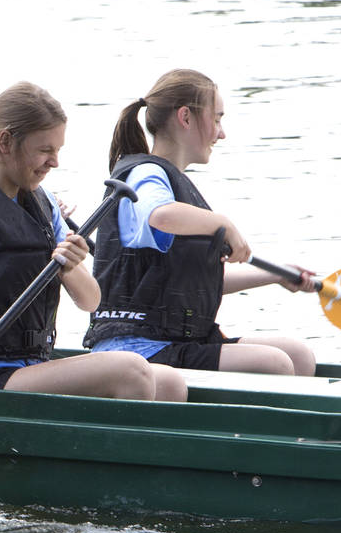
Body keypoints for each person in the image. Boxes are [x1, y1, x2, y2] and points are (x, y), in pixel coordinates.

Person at [0, 82, 187, 401]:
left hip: (28, 365)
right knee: (131, 371)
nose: (54, 162)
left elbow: (91, 301)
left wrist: (70, 267)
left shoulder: (42, 203)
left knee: (169, 383)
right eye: (45, 150)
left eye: (58, 151)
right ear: (5, 143)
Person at [83, 69, 316, 376]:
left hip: (177, 339)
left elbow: (192, 283)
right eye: (217, 119)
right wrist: (224, 224)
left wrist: (273, 276)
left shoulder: (173, 183)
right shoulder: (145, 175)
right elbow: (161, 216)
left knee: (298, 355)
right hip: (139, 346)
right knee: (275, 364)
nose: (222, 133)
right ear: (186, 117)